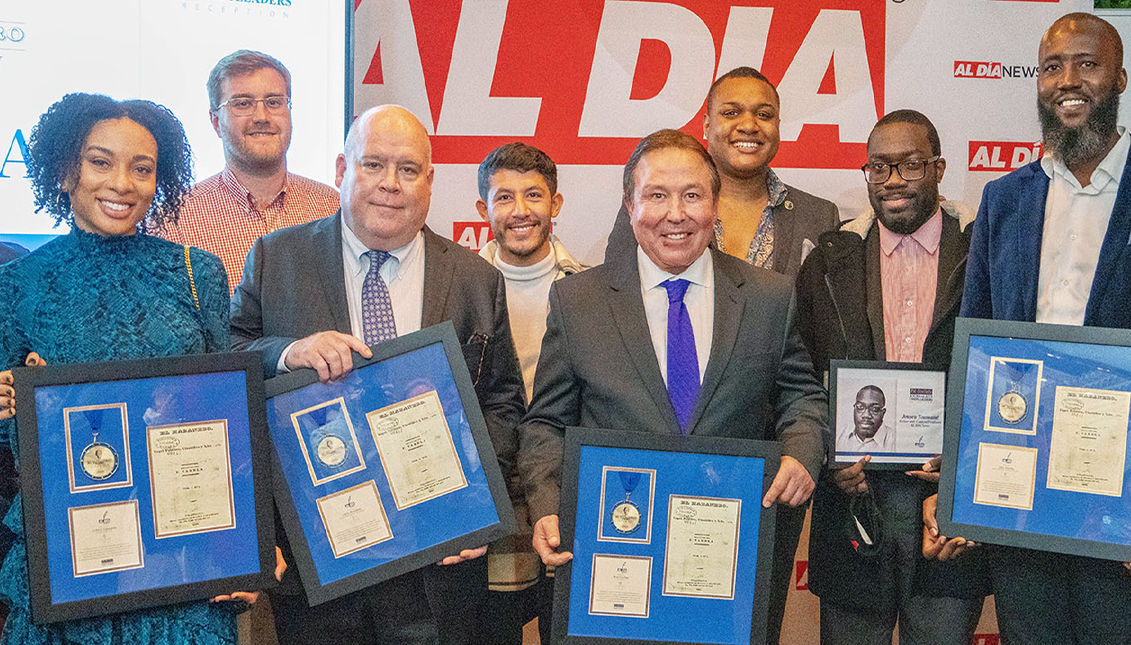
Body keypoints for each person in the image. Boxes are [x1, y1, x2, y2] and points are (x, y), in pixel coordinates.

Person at [230, 104, 526, 645]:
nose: (391, 184)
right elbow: (229, 359)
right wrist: (289, 351)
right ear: (342, 171)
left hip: (441, 556)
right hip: (321, 558)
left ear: (430, 182)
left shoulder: (476, 279)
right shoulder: (277, 259)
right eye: (373, 165)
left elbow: (503, 404)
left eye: (408, 170)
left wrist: (477, 503)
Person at [518, 129, 827, 638]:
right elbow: (547, 422)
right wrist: (548, 506)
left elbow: (802, 397)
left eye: (692, 195)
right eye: (656, 195)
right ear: (630, 204)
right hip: (616, 552)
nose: (675, 214)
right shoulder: (578, 302)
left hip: (728, 559)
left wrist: (801, 451)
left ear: (715, 203)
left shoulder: (771, 298)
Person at [0, 92, 248, 644]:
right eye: (100, 161)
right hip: (69, 559)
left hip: (181, 559)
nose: (122, 184)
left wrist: (243, 548)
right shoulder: (17, 287)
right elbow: (10, 441)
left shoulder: (196, 274)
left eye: (142, 169)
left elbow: (225, 423)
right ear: (66, 170)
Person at [922, 13, 1131, 644]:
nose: (1067, 81)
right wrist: (961, 485)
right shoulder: (1004, 199)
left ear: (1120, 78)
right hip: (1021, 503)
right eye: (1051, 66)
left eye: (1087, 64)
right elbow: (975, 348)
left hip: (1119, 511)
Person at [796, 109, 987, 645]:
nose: (894, 181)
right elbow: (802, 381)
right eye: (879, 168)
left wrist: (966, 467)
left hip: (946, 507)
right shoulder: (829, 260)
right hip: (854, 504)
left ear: (940, 168)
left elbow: (1006, 376)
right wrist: (830, 455)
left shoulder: (984, 252)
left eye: (911, 165)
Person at [474, 142, 585, 644]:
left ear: (556, 204)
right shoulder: (460, 288)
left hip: (565, 490)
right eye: (504, 198)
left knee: (564, 625)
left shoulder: (589, 290)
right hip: (488, 492)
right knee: (493, 629)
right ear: (483, 210)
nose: (520, 211)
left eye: (534, 195)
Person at [605, 66, 839, 279]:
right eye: (731, 113)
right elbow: (617, 290)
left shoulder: (818, 215)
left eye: (764, 115)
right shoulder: (650, 209)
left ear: (778, 125)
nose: (748, 125)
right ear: (707, 125)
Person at [155, 50, 339, 293]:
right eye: (243, 103)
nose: (261, 117)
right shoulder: (173, 221)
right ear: (215, 122)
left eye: (274, 102)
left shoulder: (333, 208)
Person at [837, 386, 895, 453]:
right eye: (860, 407)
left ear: (883, 413)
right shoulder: (839, 436)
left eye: (874, 409)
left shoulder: (894, 440)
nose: (866, 415)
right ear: (854, 409)